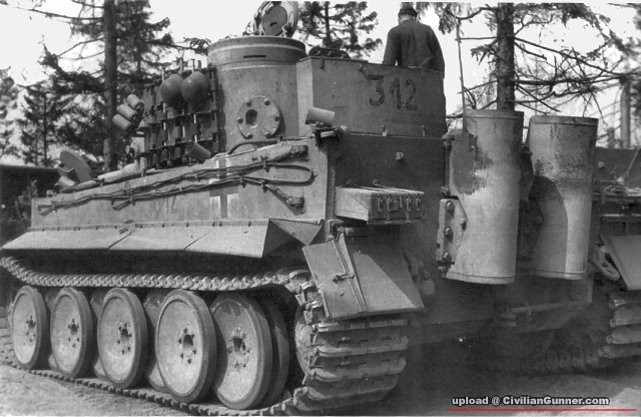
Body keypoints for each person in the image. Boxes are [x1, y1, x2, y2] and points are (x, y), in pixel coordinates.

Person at [382, 6, 445, 73]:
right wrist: (440, 76)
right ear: (414, 18)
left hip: (405, 76)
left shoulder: (394, 31)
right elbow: (438, 58)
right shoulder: (427, 30)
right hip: (427, 75)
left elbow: (388, 62)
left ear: (399, 19)